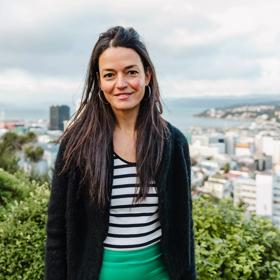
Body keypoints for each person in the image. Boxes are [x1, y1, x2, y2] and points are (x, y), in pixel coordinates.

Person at [45, 26, 196, 280]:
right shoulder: (77, 146)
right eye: (110, 75)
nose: (121, 84)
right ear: (99, 81)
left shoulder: (173, 143)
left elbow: (183, 228)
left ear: (147, 75)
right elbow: (57, 233)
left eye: (131, 72)